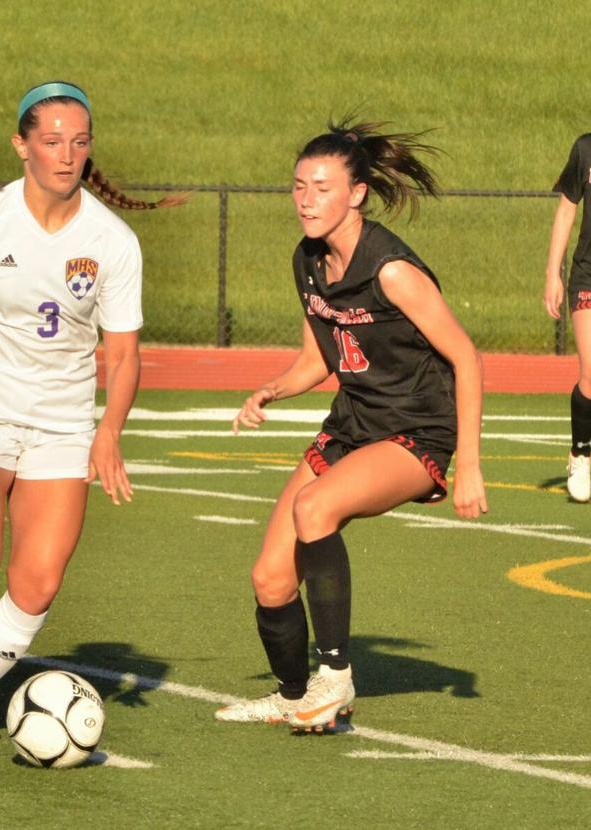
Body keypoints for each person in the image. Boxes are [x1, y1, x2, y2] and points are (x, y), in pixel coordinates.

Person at [0, 81, 184, 740]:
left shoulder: (113, 242)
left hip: (62, 419)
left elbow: (124, 355)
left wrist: (109, 432)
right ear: (22, 146)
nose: (65, 155)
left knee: (39, 580)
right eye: (50, 141)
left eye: (78, 142)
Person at [215, 120, 487, 733]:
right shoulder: (308, 260)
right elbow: (320, 357)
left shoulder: (390, 269)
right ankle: (294, 697)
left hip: (415, 432)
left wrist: (468, 463)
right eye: (297, 186)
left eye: (321, 187)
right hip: (352, 424)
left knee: (315, 509)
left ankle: (334, 679)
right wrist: (273, 389)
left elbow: (466, 357)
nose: (305, 199)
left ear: (357, 194)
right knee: (270, 578)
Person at [544, 133, 591, 502]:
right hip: (588, 276)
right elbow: (565, 210)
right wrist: (552, 273)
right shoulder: (585, 148)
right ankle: (581, 453)